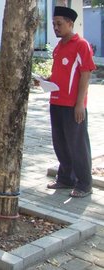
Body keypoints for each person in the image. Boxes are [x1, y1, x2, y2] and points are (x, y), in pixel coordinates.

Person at [45, 6, 96, 198]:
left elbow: (86, 74)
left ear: (70, 23)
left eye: (59, 24)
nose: (56, 28)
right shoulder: (59, 47)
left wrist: (80, 104)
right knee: (60, 142)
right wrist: (46, 80)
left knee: (78, 144)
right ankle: (66, 179)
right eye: (53, 24)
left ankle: (84, 184)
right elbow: (61, 74)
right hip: (56, 101)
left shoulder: (81, 45)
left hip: (72, 105)